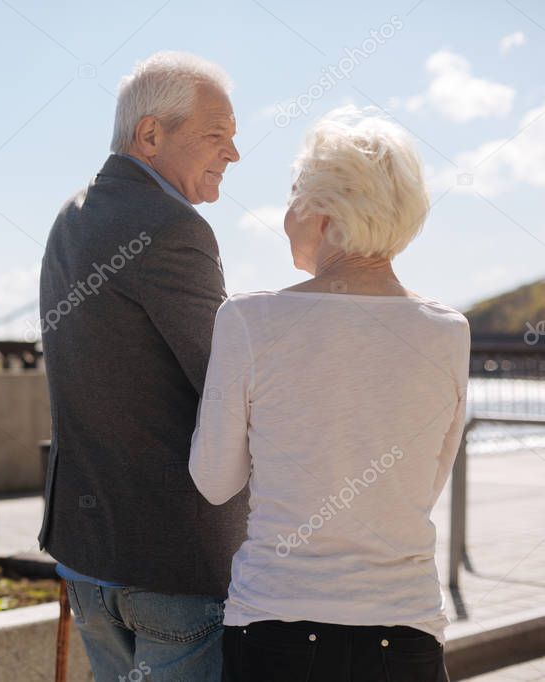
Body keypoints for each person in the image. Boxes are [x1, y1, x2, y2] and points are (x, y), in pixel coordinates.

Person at [190, 106, 469, 682]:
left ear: (322, 211)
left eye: (295, 195)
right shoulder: (448, 331)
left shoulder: (249, 319)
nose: (287, 213)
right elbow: (423, 483)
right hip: (407, 629)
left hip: (277, 627)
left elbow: (214, 482)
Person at [37, 51, 246, 681]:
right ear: (150, 134)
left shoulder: (70, 217)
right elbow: (227, 383)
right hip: (171, 562)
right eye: (217, 136)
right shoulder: (172, 226)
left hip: (87, 555)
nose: (232, 155)